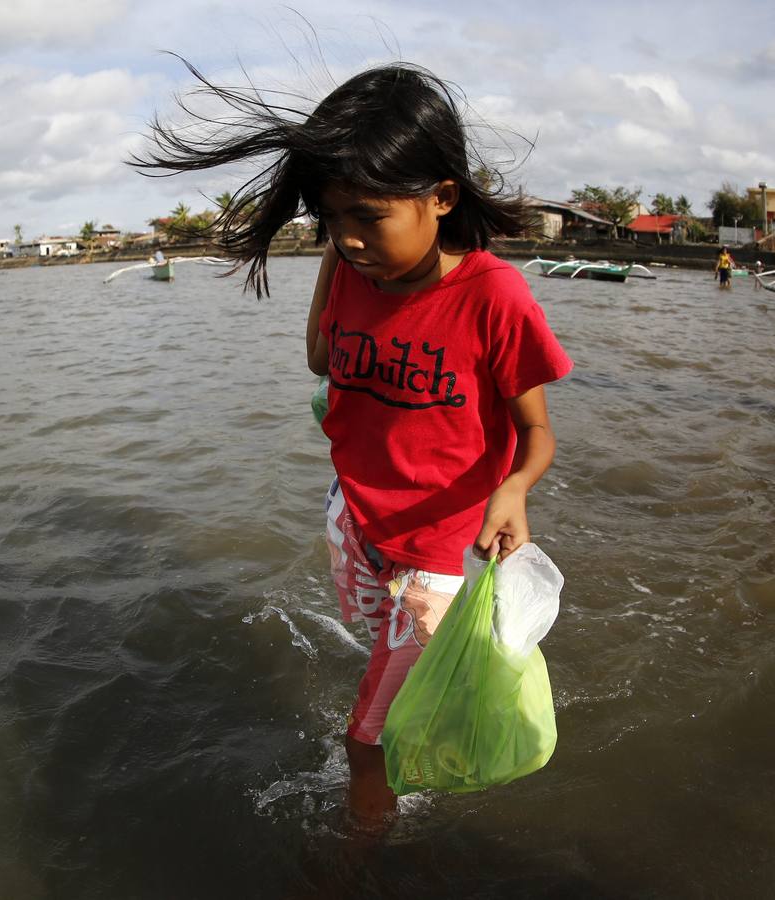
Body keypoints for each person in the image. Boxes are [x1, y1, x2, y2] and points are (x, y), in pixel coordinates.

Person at [132, 62, 573, 828]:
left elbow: (536, 431)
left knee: (365, 739)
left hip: (439, 551)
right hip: (356, 521)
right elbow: (319, 361)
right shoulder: (352, 266)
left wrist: (512, 490)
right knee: (392, 672)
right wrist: (339, 256)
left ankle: (356, 856)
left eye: (368, 216)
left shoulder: (492, 297)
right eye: (331, 219)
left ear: (441, 197)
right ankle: (407, 757)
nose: (348, 237)